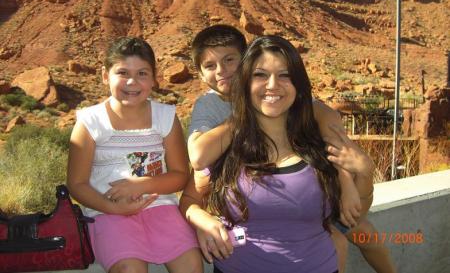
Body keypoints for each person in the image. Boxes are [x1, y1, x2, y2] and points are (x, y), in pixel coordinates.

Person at [183, 25, 396, 273]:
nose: (272, 85)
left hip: (315, 256)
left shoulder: (312, 139)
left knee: (345, 239)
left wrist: (357, 175)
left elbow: (355, 213)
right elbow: (194, 180)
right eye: (260, 75)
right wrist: (203, 221)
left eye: (284, 76)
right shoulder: (220, 139)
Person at [67, 37, 203, 273]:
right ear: (104, 75)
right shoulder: (90, 121)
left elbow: (180, 175)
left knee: (191, 264)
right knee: (130, 268)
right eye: (122, 72)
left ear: (153, 78)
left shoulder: (166, 117)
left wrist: (140, 185)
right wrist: (113, 208)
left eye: (142, 73)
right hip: (106, 210)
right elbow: (77, 184)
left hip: (161, 206)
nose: (132, 81)